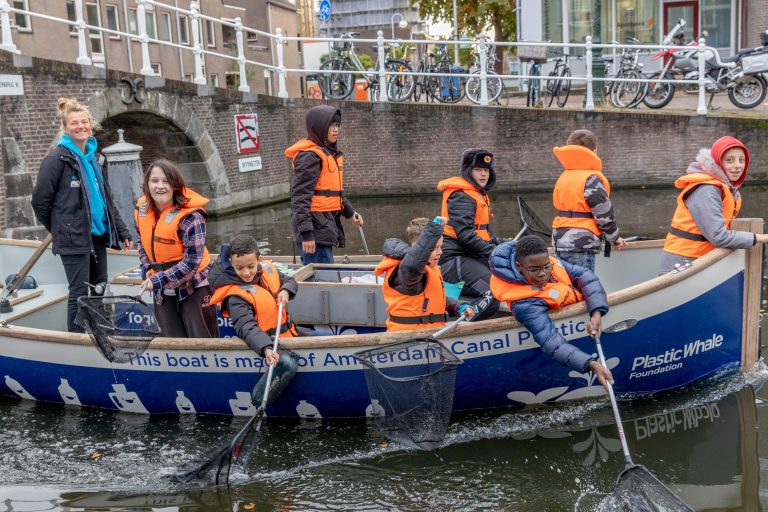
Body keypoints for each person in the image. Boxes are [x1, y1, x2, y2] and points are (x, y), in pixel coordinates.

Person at [31, 98, 133, 333]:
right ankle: (76, 341)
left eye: (84, 122)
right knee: (79, 291)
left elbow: (106, 200)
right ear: (66, 128)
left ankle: (99, 333)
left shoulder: (93, 159)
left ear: (90, 125)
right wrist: (61, 227)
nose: (81, 126)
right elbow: (40, 202)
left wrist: (123, 230)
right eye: (74, 123)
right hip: (74, 238)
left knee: (99, 287)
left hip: (97, 235)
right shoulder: (57, 159)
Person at [488, 235, 614, 389]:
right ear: (519, 266)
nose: (542, 274)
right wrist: (591, 364)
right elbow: (551, 342)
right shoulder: (524, 305)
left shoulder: (547, 263)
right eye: (534, 270)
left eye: (546, 267)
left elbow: (584, 276)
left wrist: (596, 312)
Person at [660, 136, 768, 274]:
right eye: (730, 160)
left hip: (703, 259)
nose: (738, 165)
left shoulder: (726, 189)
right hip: (684, 261)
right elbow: (719, 236)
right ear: (717, 162)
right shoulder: (706, 190)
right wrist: (762, 238)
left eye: (742, 160)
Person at [135, 159, 218, 338]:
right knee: (171, 339)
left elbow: (191, 263)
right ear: (147, 184)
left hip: (194, 285)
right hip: (161, 286)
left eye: (166, 181)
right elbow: (141, 242)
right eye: (155, 181)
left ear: (175, 185)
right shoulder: (141, 210)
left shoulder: (191, 218)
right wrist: (149, 268)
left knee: (202, 339)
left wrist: (157, 280)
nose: (160, 186)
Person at [285, 105, 364, 265]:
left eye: (337, 125)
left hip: (323, 224)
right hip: (314, 228)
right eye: (331, 125)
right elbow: (299, 199)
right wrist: (307, 234)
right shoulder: (309, 157)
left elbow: (332, 193)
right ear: (320, 127)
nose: (336, 130)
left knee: (325, 272)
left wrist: (350, 213)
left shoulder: (327, 153)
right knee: (322, 275)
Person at [209, 234, 301, 368]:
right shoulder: (235, 297)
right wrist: (266, 348)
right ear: (231, 263)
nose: (246, 273)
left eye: (251, 266)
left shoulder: (266, 270)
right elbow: (246, 327)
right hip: (272, 344)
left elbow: (289, 281)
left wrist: (285, 290)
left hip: (291, 333)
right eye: (239, 268)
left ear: (259, 260)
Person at [375, 217, 476, 332]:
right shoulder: (407, 271)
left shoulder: (429, 268)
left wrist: (457, 306)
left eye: (440, 247)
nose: (440, 252)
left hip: (431, 334)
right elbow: (414, 264)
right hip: (409, 338)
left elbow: (432, 297)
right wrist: (432, 232)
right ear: (418, 248)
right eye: (434, 248)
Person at [436, 148, 500, 321]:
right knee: (493, 292)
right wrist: (494, 252)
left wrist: (503, 246)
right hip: (453, 260)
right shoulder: (461, 196)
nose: (483, 175)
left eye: (486, 170)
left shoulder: (477, 194)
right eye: (478, 170)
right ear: (468, 171)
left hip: (470, 255)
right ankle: (462, 328)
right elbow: (465, 236)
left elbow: (484, 232)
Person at [551, 129, 626, 272]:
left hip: (559, 240)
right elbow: (604, 215)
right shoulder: (591, 178)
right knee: (584, 287)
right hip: (581, 242)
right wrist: (614, 238)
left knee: (566, 285)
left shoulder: (565, 176)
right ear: (595, 151)